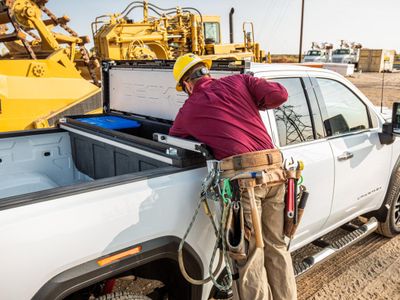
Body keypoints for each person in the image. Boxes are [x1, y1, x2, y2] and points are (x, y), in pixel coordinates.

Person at [170, 53, 296, 300]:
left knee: (250, 256)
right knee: (277, 247)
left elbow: (174, 140)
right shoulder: (240, 82)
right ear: (206, 72)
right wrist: (251, 93)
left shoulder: (188, 110)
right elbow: (280, 94)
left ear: (186, 84)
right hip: (277, 173)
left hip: (246, 181)